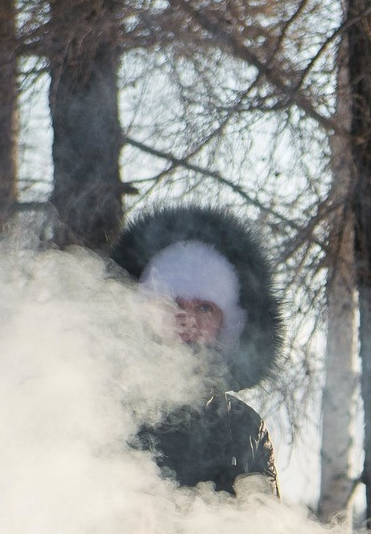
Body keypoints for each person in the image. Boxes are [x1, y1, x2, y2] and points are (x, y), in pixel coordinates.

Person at [108, 205, 280, 492]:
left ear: (227, 324)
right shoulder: (110, 412)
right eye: (174, 303)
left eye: (204, 307)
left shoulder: (244, 428)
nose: (188, 320)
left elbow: (269, 531)